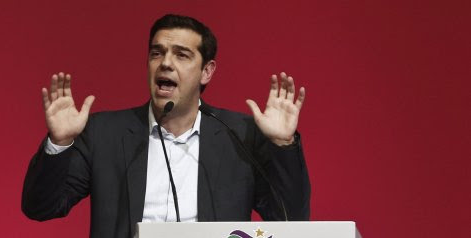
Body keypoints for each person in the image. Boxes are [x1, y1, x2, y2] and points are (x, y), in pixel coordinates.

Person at [22, 14, 310, 238]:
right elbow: (41, 207)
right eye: (157, 53)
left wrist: (283, 145)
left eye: (181, 55)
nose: (165, 64)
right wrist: (59, 143)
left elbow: (291, 221)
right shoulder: (104, 133)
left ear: (206, 71)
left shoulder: (240, 136)